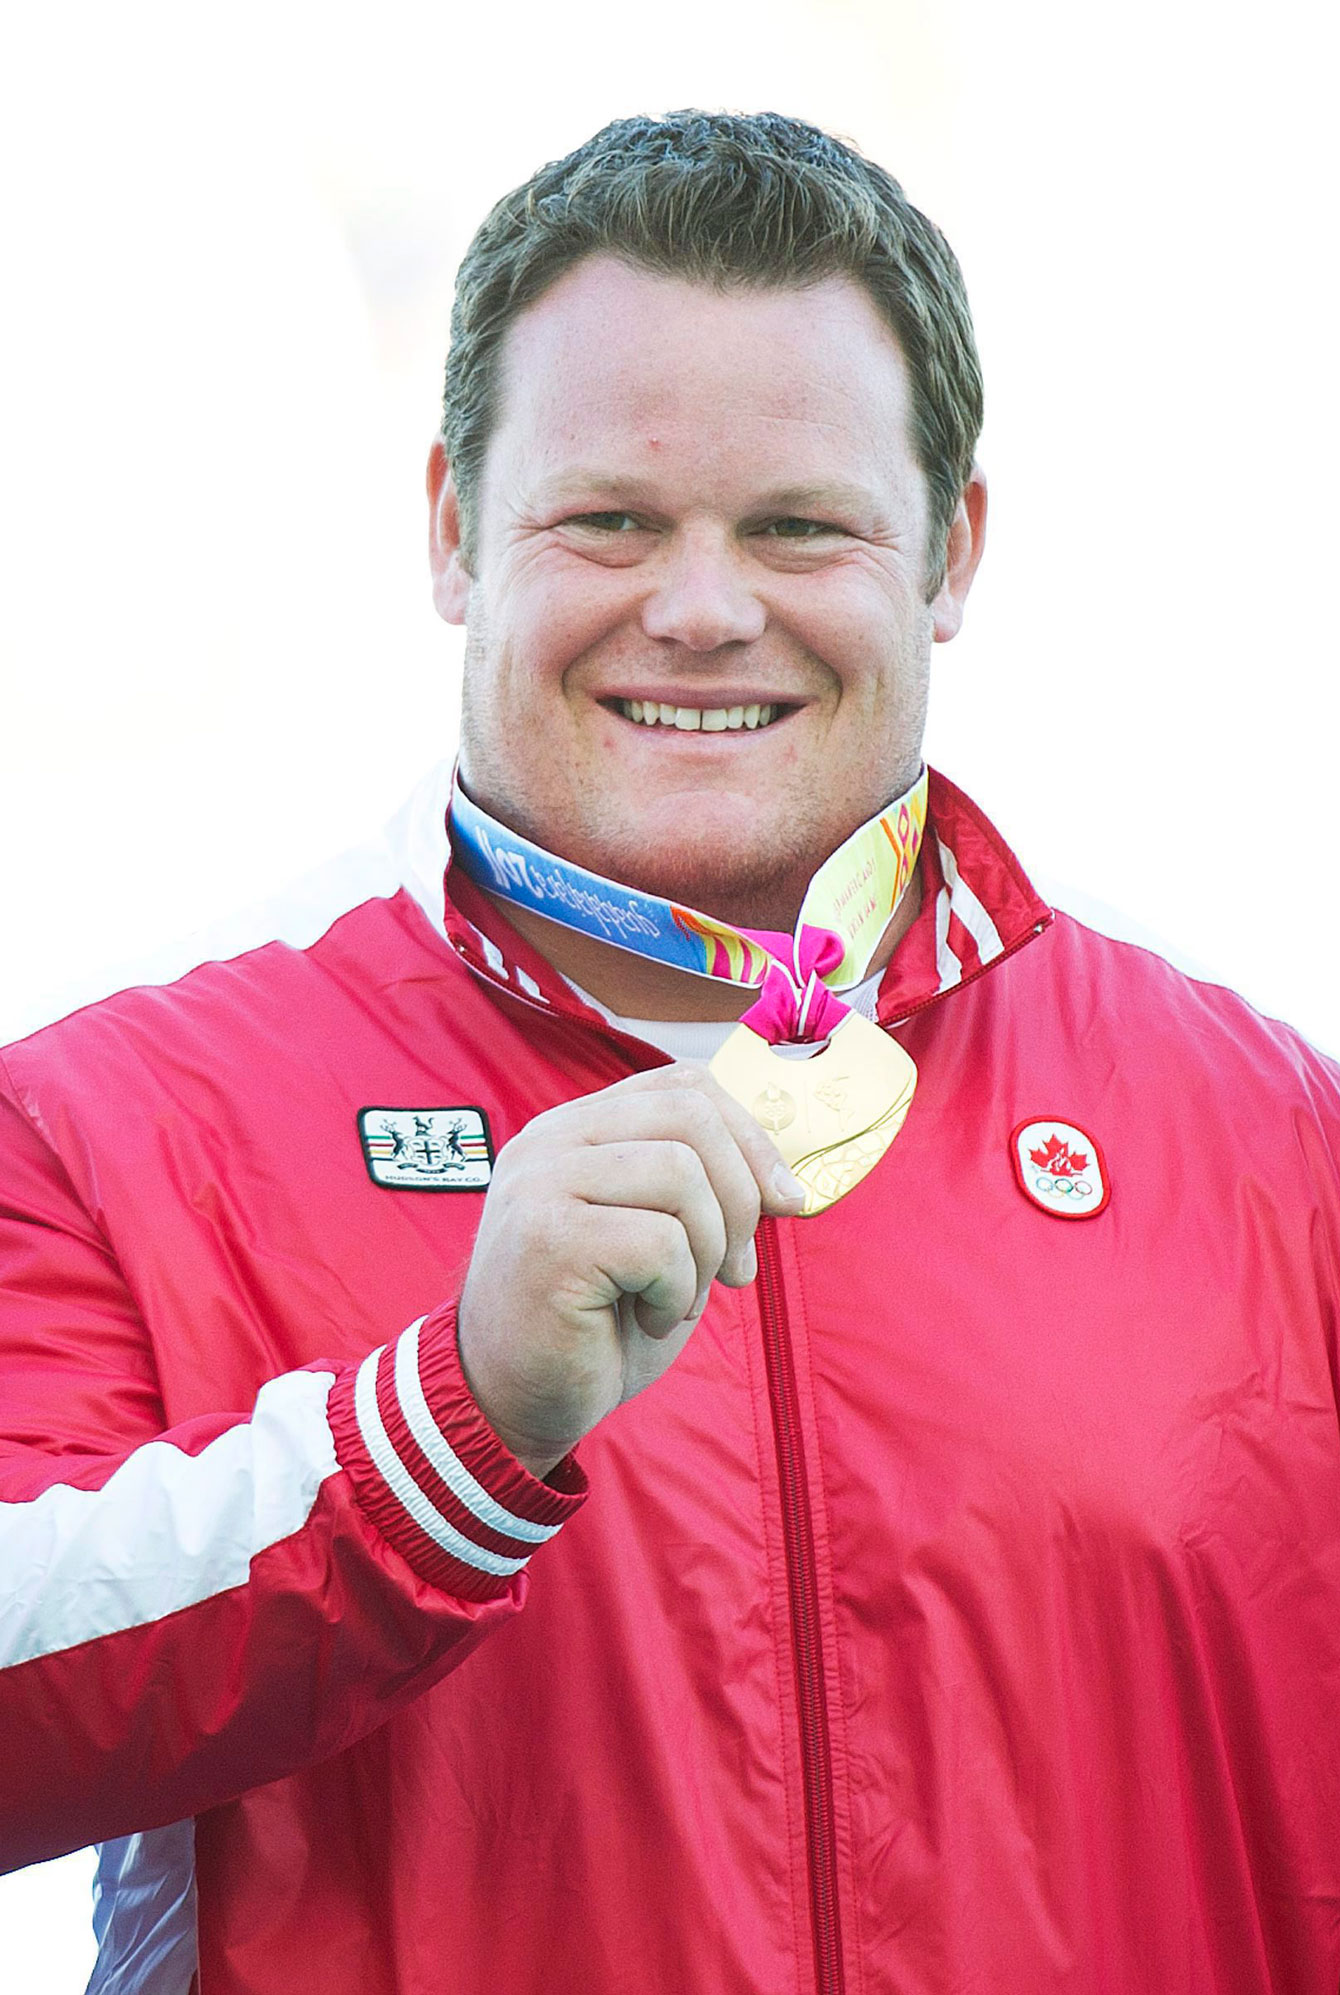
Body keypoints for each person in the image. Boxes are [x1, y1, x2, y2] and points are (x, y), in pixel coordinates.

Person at [2, 109, 1338, 1995]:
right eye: (611, 519)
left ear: (951, 549)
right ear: (456, 528)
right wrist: (445, 1434)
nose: (703, 610)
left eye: (797, 525)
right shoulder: (117, 1121)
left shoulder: (1267, 1134)